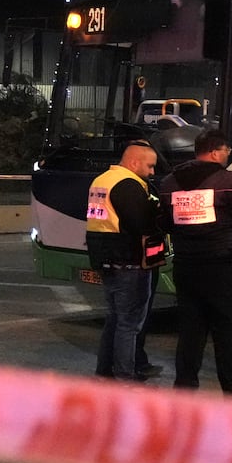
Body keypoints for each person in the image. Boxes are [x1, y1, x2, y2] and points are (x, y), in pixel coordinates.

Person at [160, 128, 232, 396]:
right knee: (228, 339)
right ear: (215, 151)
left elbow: (164, 223)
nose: (228, 155)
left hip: (187, 268)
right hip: (225, 269)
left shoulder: (169, 183)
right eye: (226, 150)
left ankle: (184, 400)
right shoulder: (231, 181)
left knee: (190, 336)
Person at [86, 139, 166, 382]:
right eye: (150, 166)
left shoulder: (101, 181)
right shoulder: (129, 185)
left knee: (115, 320)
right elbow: (143, 223)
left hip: (106, 259)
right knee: (129, 324)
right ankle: (124, 375)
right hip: (129, 262)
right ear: (134, 162)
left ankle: (104, 372)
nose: (152, 172)